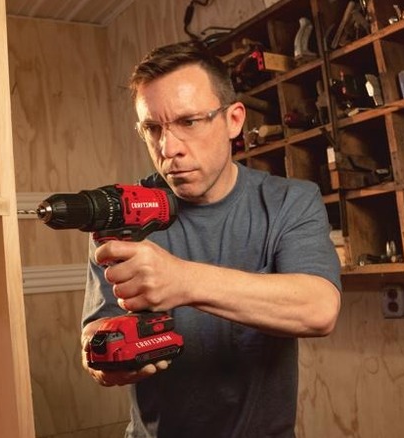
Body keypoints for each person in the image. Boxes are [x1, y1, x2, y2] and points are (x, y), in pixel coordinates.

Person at [80, 40, 342, 437]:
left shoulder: (290, 200)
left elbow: (319, 308)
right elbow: (96, 331)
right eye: (152, 128)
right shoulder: (123, 212)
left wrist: (182, 282)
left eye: (188, 122)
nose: (169, 149)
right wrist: (104, 360)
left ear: (234, 120)